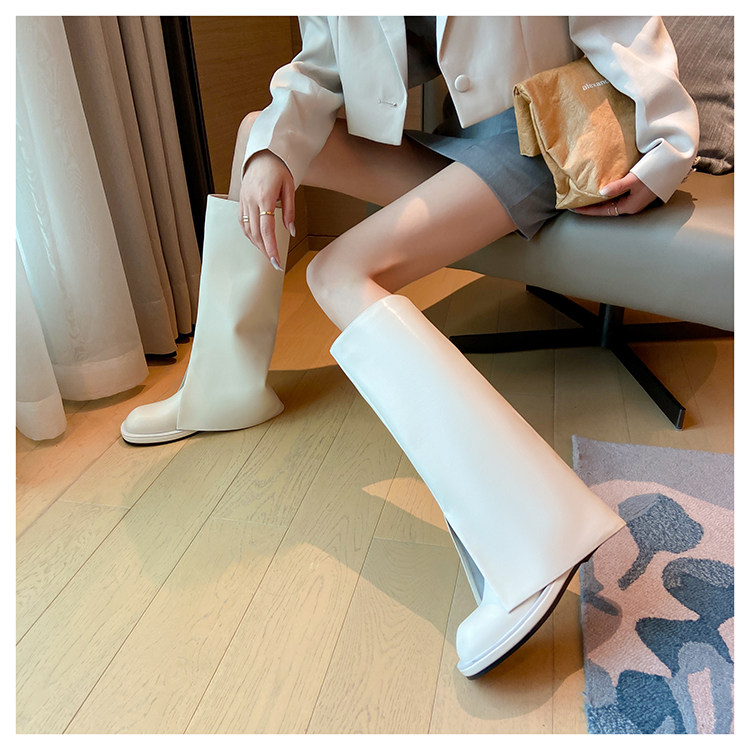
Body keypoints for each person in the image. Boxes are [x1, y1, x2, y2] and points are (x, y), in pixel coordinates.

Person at [122, 16, 699, 678]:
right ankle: (224, 389)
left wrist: (667, 151)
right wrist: (271, 154)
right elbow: (318, 67)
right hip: (466, 145)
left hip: (547, 136)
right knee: (261, 133)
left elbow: (624, 20)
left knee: (335, 272)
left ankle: (534, 534)